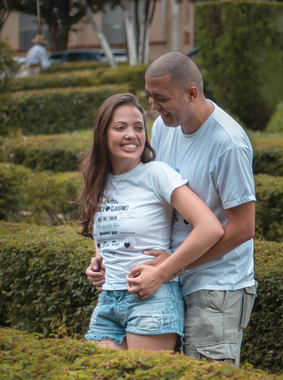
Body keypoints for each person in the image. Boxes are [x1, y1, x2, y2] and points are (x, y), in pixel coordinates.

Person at [86, 52, 257, 364]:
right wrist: (108, 255)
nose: (153, 107)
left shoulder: (228, 143)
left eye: (161, 98)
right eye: (149, 97)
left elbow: (243, 229)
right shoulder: (166, 127)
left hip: (216, 284)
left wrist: (170, 268)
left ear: (191, 93)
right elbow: (142, 197)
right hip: (172, 277)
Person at [79, 93, 223, 352]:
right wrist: (99, 258)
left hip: (152, 299)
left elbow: (210, 227)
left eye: (138, 127)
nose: (132, 135)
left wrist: (163, 270)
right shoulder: (98, 181)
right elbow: (105, 232)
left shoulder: (157, 173)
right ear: (102, 133)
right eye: (120, 127)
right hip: (108, 301)